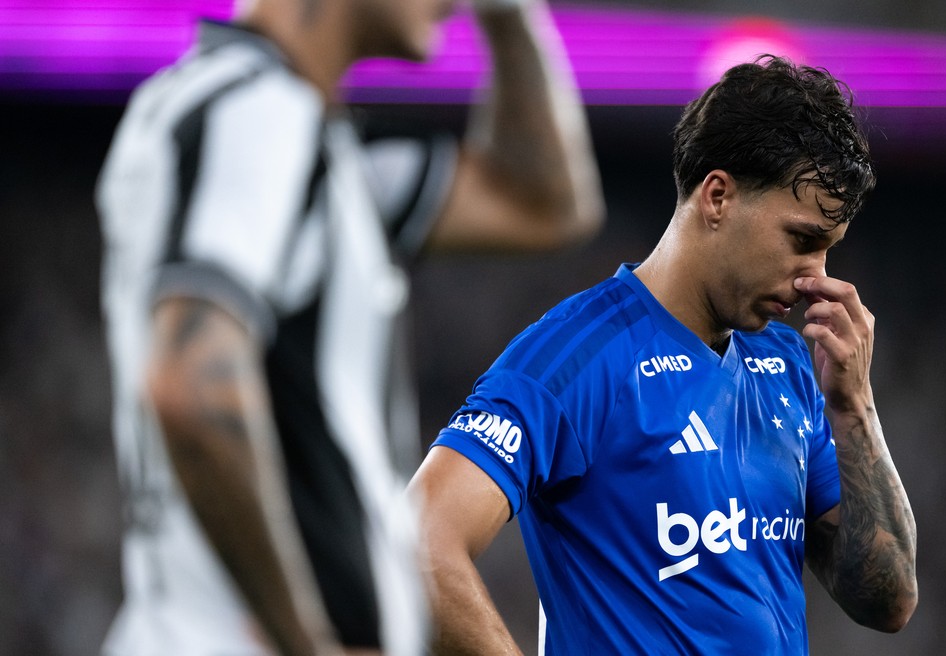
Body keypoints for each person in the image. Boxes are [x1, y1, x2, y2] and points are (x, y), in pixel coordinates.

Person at [95, 0, 604, 653]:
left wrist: (509, 15)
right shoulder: (257, 114)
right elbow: (191, 386)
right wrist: (304, 639)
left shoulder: (291, 135)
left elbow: (547, 204)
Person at [409, 56, 918, 655]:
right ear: (719, 197)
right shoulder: (577, 356)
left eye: (828, 251)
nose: (817, 280)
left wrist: (855, 408)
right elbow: (420, 541)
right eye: (802, 241)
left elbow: (887, 601)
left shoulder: (786, 364)